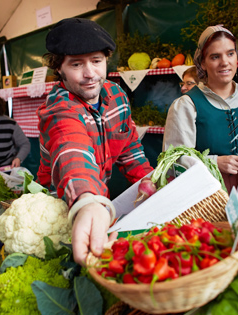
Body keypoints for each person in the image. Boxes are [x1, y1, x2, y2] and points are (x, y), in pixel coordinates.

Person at [37, 18, 153, 265]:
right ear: (59, 68)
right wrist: (88, 200)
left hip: (98, 206)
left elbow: (130, 149)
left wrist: (152, 183)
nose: (90, 74)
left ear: (106, 60)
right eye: (77, 64)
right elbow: (72, 152)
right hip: (64, 214)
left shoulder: (117, 94)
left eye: (97, 61)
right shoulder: (59, 109)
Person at [163, 25, 238, 193]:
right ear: (202, 63)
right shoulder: (186, 105)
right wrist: (213, 163)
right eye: (215, 57)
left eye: (230, 54)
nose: (225, 62)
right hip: (204, 199)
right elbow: (172, 161)